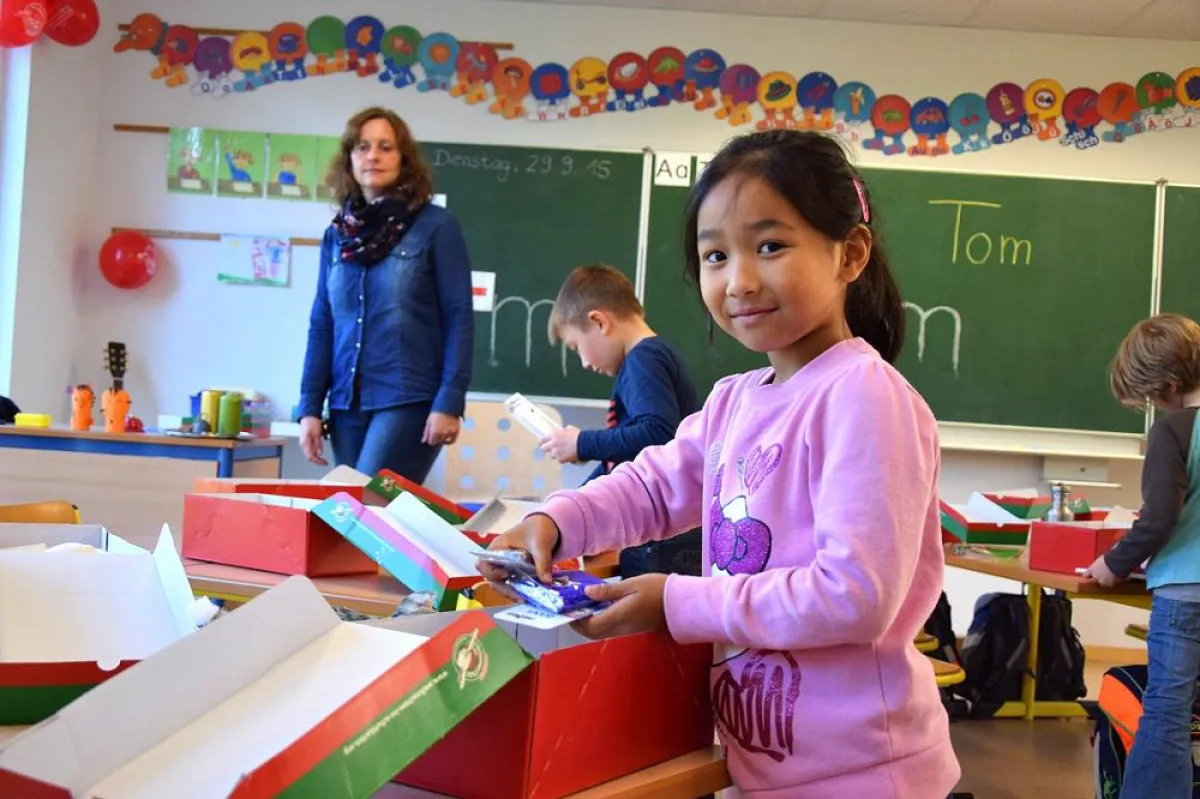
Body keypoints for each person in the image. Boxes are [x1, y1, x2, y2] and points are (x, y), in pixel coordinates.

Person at [480, 129, 959, 797]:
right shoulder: (736, 400)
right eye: (715, 255)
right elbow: (653, 486)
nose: (740, 280)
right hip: (760, 761)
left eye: (771, 246)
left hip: (866, 774)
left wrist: (677, 602)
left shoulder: (864, 396)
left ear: (849, 254)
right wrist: (558, 521)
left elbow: (854, 595)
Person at [297, 107, 474, 483]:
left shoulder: (436, 226)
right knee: (351, 508)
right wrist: (309, 408)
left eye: (385, 147)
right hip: (345, 403)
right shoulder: (336, 236)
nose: (373, 156)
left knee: (369, 502)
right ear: (349, 158)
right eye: (362, 147)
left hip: (409, 398)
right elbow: (322, 323)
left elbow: (459, 317)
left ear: (403, 158)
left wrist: (450, 400)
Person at [1084, 313, 1200, 799]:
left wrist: (1111, 564)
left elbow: (1158, 520)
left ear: (1169, 385)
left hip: (1186, 595)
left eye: (1152, 397)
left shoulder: (1174, 431)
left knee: (1167, 714)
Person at [541, 263, 702, 577]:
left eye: (576, 347)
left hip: (666, 539)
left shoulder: (644, 360)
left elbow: (657, 433)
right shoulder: (646, 359)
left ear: (599, 322)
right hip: (665, 532)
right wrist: (574, 506)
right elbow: (625, 458)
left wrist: (582, 443)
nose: (584, 362)